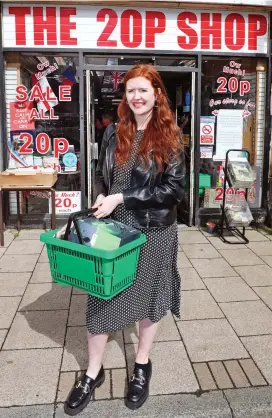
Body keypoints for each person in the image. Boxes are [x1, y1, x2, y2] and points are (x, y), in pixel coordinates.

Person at [64, 64, 186, 416]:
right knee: (101, 297)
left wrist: (124, 198)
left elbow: (173, 190)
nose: (136, 97)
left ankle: (142, 364)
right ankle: (92, 372)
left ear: (156, 94)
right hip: (113, 228)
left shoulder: (170, 136)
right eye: (130, 90)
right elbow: (104, 177)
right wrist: (100, 201)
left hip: (153, 231)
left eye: (143, 90)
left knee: (150, 298)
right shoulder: (115, 131)